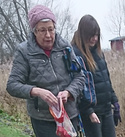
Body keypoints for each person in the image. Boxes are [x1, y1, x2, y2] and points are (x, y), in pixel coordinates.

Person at [6, 5, 84, 137]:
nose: (48, 35)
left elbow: (80, 77)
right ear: (34, 31)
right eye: (42, 30)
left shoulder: (65, 47)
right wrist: (36, 91)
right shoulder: (24, 51)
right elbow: (12, 85)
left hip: (69, 113)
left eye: (51, 29)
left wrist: (68, 92)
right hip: (42, 118)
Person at [71, 14, 121, 137]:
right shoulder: (76, 55)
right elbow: (78, 87)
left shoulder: (99, 53)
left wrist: (114, 101)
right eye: (91, 35)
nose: (94, 38)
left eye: (97, 35)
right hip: (91, 112)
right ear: (83, 34)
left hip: (106, 109)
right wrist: (89, 111)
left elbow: (106, 80)